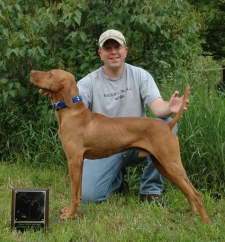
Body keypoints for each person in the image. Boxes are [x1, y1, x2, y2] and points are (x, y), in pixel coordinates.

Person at [40, 29, 189, 205]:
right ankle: (116, 180)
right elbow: (74, 106)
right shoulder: (88, 82)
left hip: (137, 140)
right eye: (107, 48)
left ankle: (150, 191)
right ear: (100, 53)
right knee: (89, 197)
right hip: (105, 146)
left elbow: (158, 108)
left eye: (117, 47)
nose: (113, 52)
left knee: (165, 125)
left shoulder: (140, 75)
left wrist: (169, 107)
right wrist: (57, 96)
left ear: (125, 50)